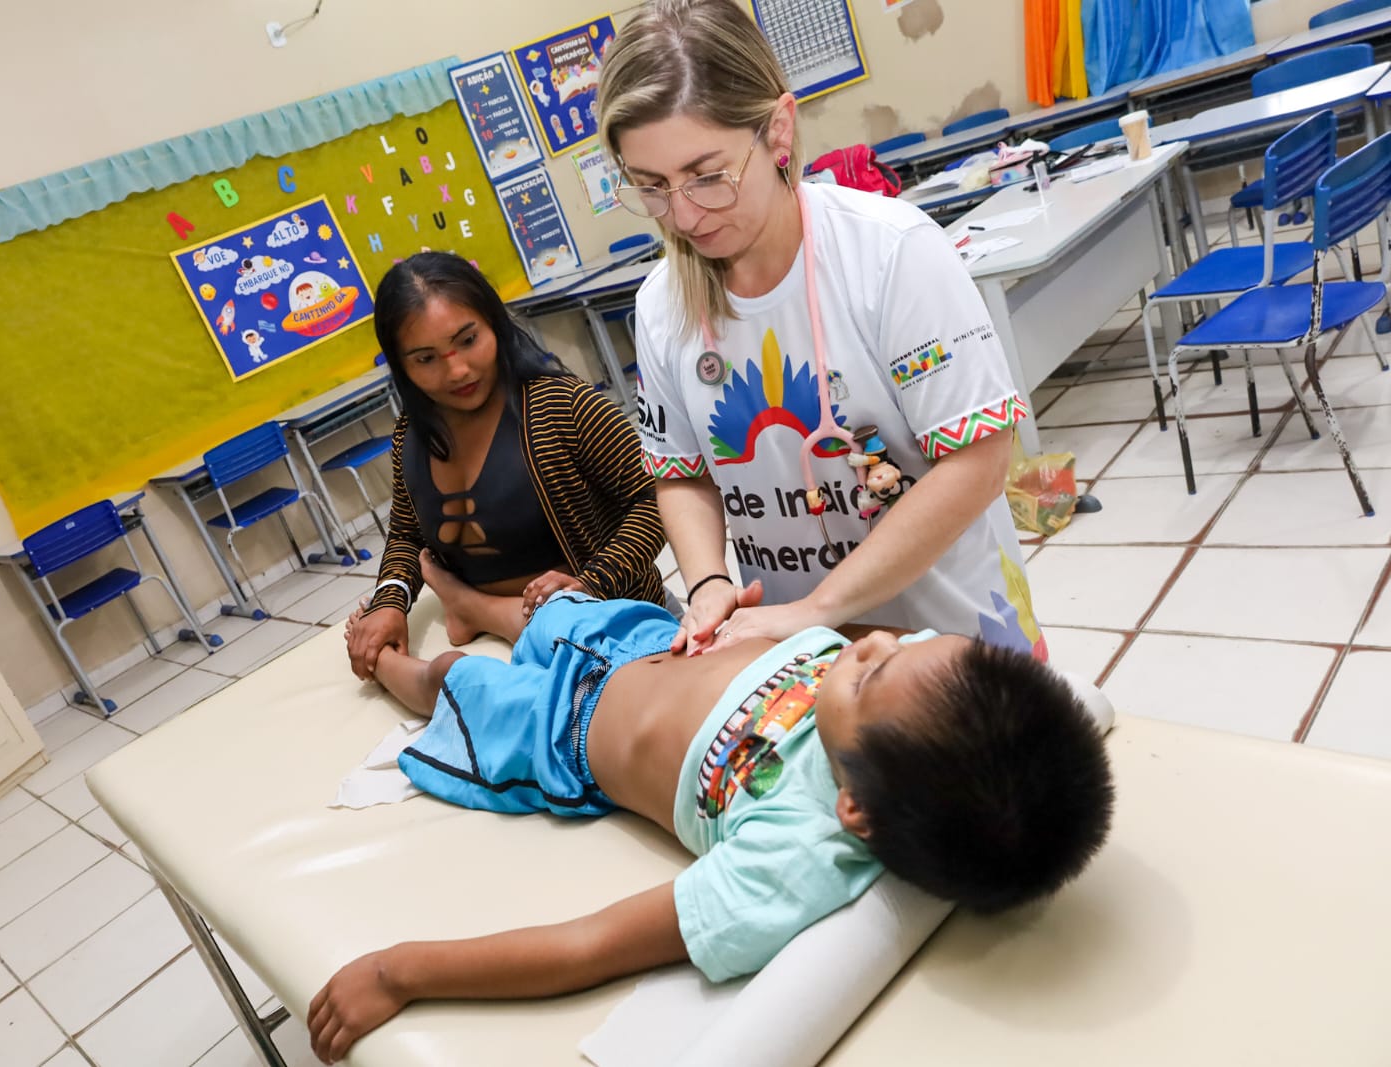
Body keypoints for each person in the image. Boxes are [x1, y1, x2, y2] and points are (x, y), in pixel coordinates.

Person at [306, 591, 1114, 1063]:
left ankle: (385, 664)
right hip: (655, 638)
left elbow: (588, 945)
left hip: (562, 731)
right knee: (549, 610)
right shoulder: (913, 720)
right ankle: (469, 600)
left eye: (868, 674)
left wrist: (402, 972)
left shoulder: (798, 857)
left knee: (457, 683)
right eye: (901, 645)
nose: (872, 640)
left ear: (856, 810)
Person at [596, 0, 1046, 661]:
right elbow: (682, 473)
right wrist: (711, 581)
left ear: (778, 131)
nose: (683, 216)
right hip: (800, 656)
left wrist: (815, 609)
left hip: (953, 642)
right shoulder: (662, 306)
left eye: (707, 176)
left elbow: (978, 463)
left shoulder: (892, 254)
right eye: (652, 186)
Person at [345, 252, 668, 680]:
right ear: (401, 366)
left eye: (467, 340)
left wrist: (592, 582)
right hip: (489, 644)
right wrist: (390, 599)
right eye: (426, 359)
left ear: (494, 322)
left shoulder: (563, 407)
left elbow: (657, 498)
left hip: (599, 623)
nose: (457, 370)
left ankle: (469, 606)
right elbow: (407, 533)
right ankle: (466, 608)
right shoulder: (412, 432)